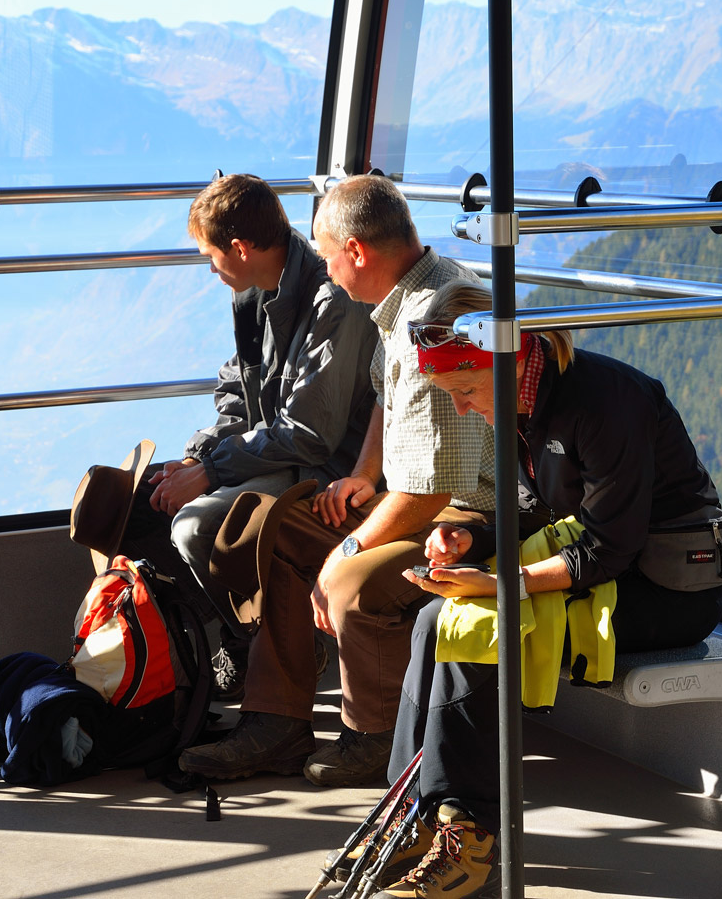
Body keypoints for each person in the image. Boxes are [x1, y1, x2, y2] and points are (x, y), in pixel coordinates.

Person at [346, 279, 722, 899]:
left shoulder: (606, 402)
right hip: (608, 574)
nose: (466, 408)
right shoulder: (522, 399)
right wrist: (467, 542)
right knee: (432, 620)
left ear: (506, 355)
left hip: (667, 589)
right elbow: (537, 507)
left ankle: (467, 838)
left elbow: (611, 545)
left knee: (485, 623)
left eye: (467, 390)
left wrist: (504, 584)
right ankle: (412, 811)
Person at [176, 175, 497, 786]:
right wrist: (363, 473)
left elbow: (433, 490)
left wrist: (351, 545)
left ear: (356, 251)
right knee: (280, 533)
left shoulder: (436, 319)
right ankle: (278, 723)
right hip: (406, 489)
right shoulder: (403, 299)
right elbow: (384, 393)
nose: (326, 271)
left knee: (346, 578)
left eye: (327, 256)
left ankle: (372, 736)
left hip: (463, 512)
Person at [118, 173, 378, 699]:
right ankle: (252, 638)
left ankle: (272, 643)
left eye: (210, 255)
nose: (210, 269)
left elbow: (312, 436)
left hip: (326, 470)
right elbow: (239, 392)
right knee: (140, 502)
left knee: (193, 526)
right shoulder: (254, 293)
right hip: (277, 450)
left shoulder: (333, 303)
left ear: (239, 248)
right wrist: (198, 456)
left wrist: (210, 473)